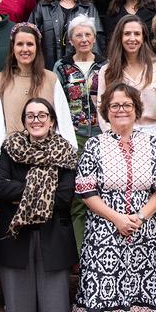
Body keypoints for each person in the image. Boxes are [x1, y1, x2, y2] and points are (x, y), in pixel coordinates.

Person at [70, 83, 156, 312]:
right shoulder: (95, 144)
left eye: (127, 105)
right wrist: (117, 218)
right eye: (115, 105)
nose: (121, 110)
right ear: (106, 110)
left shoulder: (151, 143)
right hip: (105, 236)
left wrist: (140, 217)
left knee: (142, 295)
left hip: (146, 236)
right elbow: (85, 191)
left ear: (136, 110)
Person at [0, 97, 78, 312]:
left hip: (53, 241)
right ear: (24, 121)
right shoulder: (11, 148)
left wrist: (23, 195)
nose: (36, 120)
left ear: (52, 120)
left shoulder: (66, 152)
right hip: (15, 241)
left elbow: (65, 196)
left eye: (42, 115)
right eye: (30, 115)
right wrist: (40, 193)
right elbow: (1, 187)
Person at [0, 23, 76, 170]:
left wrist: (62, 158)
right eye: (20, 44)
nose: (25, 49)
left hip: (49, 161)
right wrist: (1, 164)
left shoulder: (51, 79)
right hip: (13, 161)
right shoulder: (1, 81)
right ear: (12, 48)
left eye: (30, 44)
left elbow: (63, 123)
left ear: (37, 48)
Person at [54, 14, 108, 252]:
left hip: (102, 134)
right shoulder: (62, 67)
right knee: (78, 196)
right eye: (79, 35)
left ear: (95, 38)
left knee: (103, 194)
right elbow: (57, 104)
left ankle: (101, 248)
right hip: (73, 135)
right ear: (70, 39)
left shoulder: (105, 66)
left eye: (88, 34)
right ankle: (80, 252)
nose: (84, 39)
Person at [96, 15, 156, 138]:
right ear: (120, 37)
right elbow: (101, 107)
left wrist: (154, 138)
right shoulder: (107, 71)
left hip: (153, 134)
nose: (132, 38)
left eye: (137, 34)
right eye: (127, 34)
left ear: (143, 38)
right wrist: (113, 137)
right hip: (117, 135)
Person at [29, 0, 103, 68]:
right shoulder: (43, 7)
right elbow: (30, 38)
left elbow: (96, 43)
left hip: (79, 74)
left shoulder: (89, 9)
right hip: (46, 71)